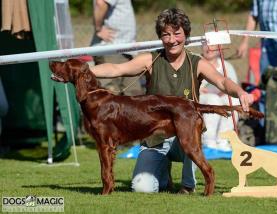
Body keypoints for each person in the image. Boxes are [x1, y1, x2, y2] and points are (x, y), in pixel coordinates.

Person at [91, 8, 254, 194]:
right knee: (142, 188)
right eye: (166, 35)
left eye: (177, 34)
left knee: (190, 143)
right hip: (155, 138)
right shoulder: (150, 60)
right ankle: (163, 171)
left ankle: (187, 185)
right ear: (160, 37)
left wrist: (240, 92)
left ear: (186, 35)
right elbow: (116, 69)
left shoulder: (197, 63)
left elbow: (222, 81)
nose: (172, 40)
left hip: (184, 134)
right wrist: (84, 71)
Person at [90, 0, 143, 95]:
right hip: (111, 48)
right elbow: (100, 3)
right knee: (111, 96)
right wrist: (98, 29)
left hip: (123, 49)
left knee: (134, 95)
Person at [199, 43, 240, 151]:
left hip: (220, 96)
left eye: (213, 46)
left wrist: (225, 91)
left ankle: (223, 140)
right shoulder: (196, 62)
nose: (209, 48)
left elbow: (234, 86)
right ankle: (209, 140)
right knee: (214, 100)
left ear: (219, 50)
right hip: (200, 97)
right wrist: (199, 89)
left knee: (233, 101)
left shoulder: (226, 66)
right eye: (206, 45)